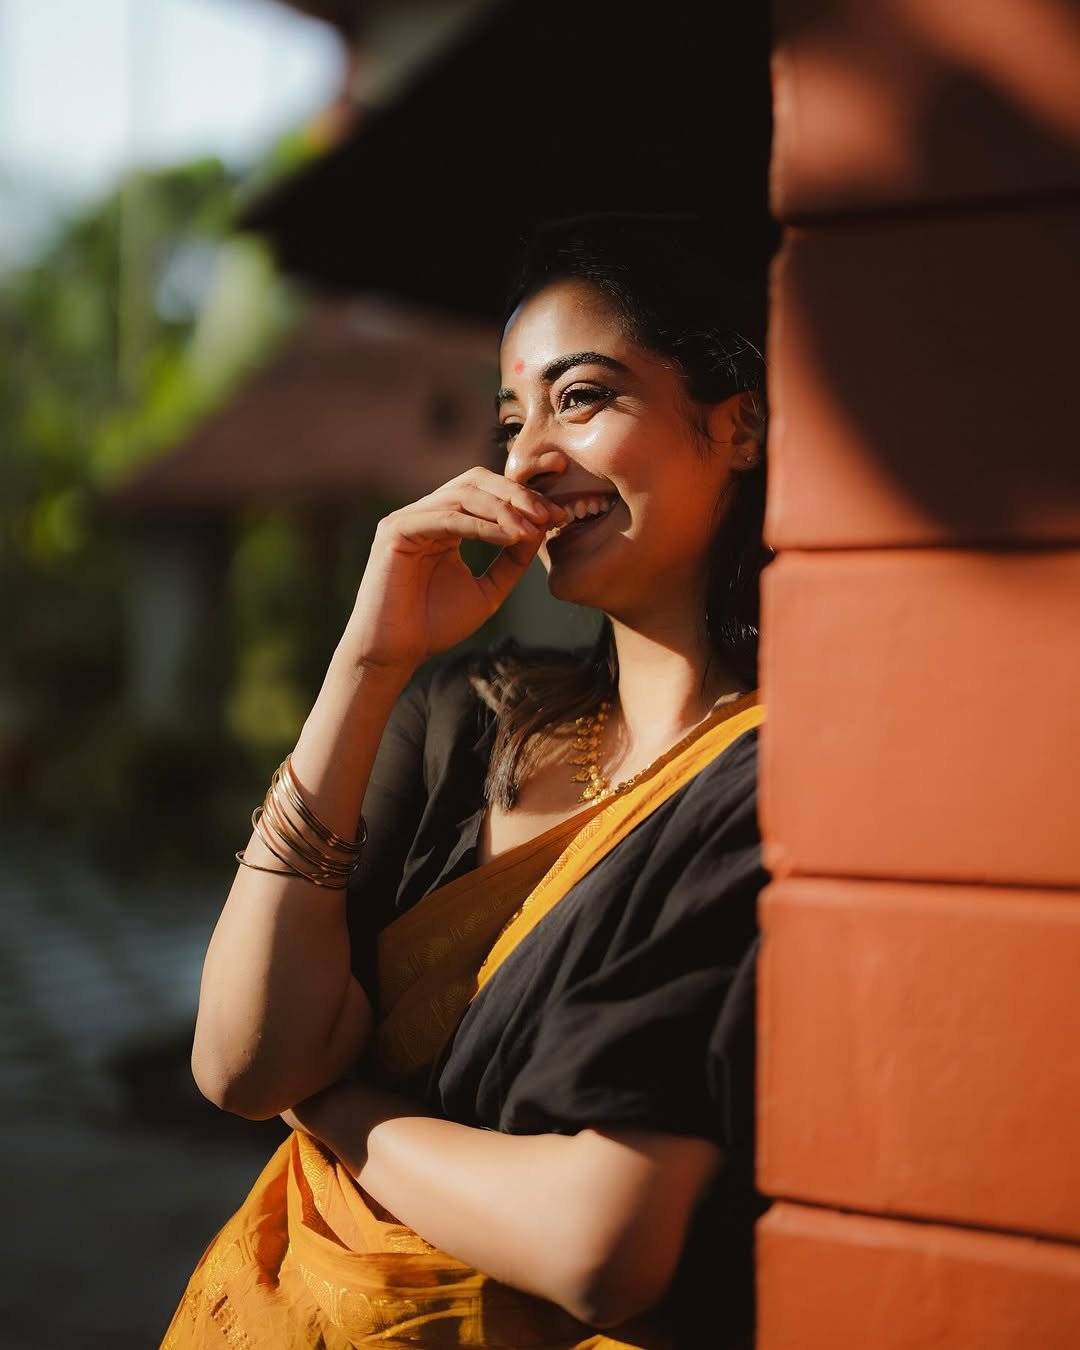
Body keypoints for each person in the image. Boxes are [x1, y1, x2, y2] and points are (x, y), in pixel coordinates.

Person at [163, 213, 770, 1350]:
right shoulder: (465, 715)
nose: (528, 455)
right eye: (511, 418)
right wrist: (371, 657)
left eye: (581, 398)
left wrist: (338, 1107)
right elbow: (240, 1061)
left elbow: (598, 1246)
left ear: (738, 427)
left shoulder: (768, 779)